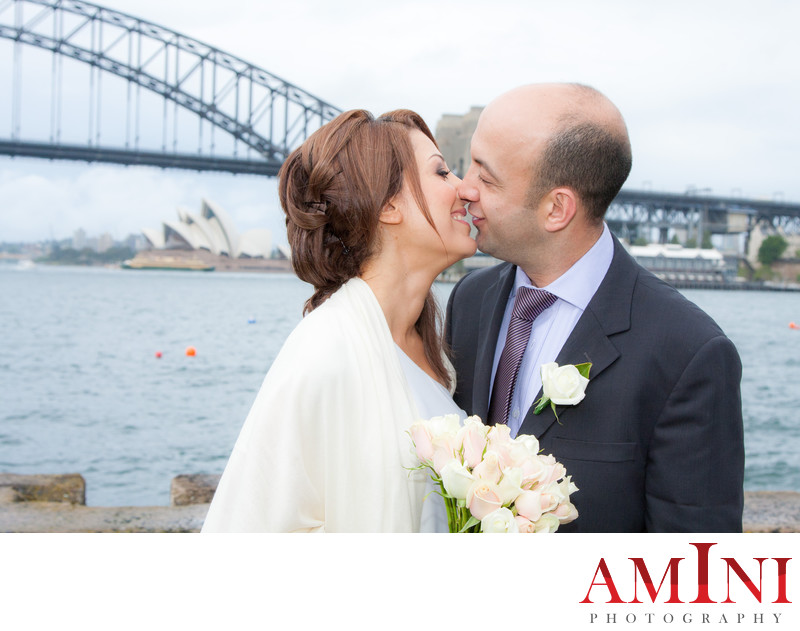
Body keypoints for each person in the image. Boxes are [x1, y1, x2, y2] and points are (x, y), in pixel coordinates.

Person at [446, 83, 744, 532]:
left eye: (486, 178)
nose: (464, 188)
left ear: (556, 208)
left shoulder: (688, 353)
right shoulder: (468, 300)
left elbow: (693, 561)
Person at [202, 109, 476, 532]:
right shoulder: (326, 353)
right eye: (441, 173)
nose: (465, 188)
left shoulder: (430, 346)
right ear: (388, 207)